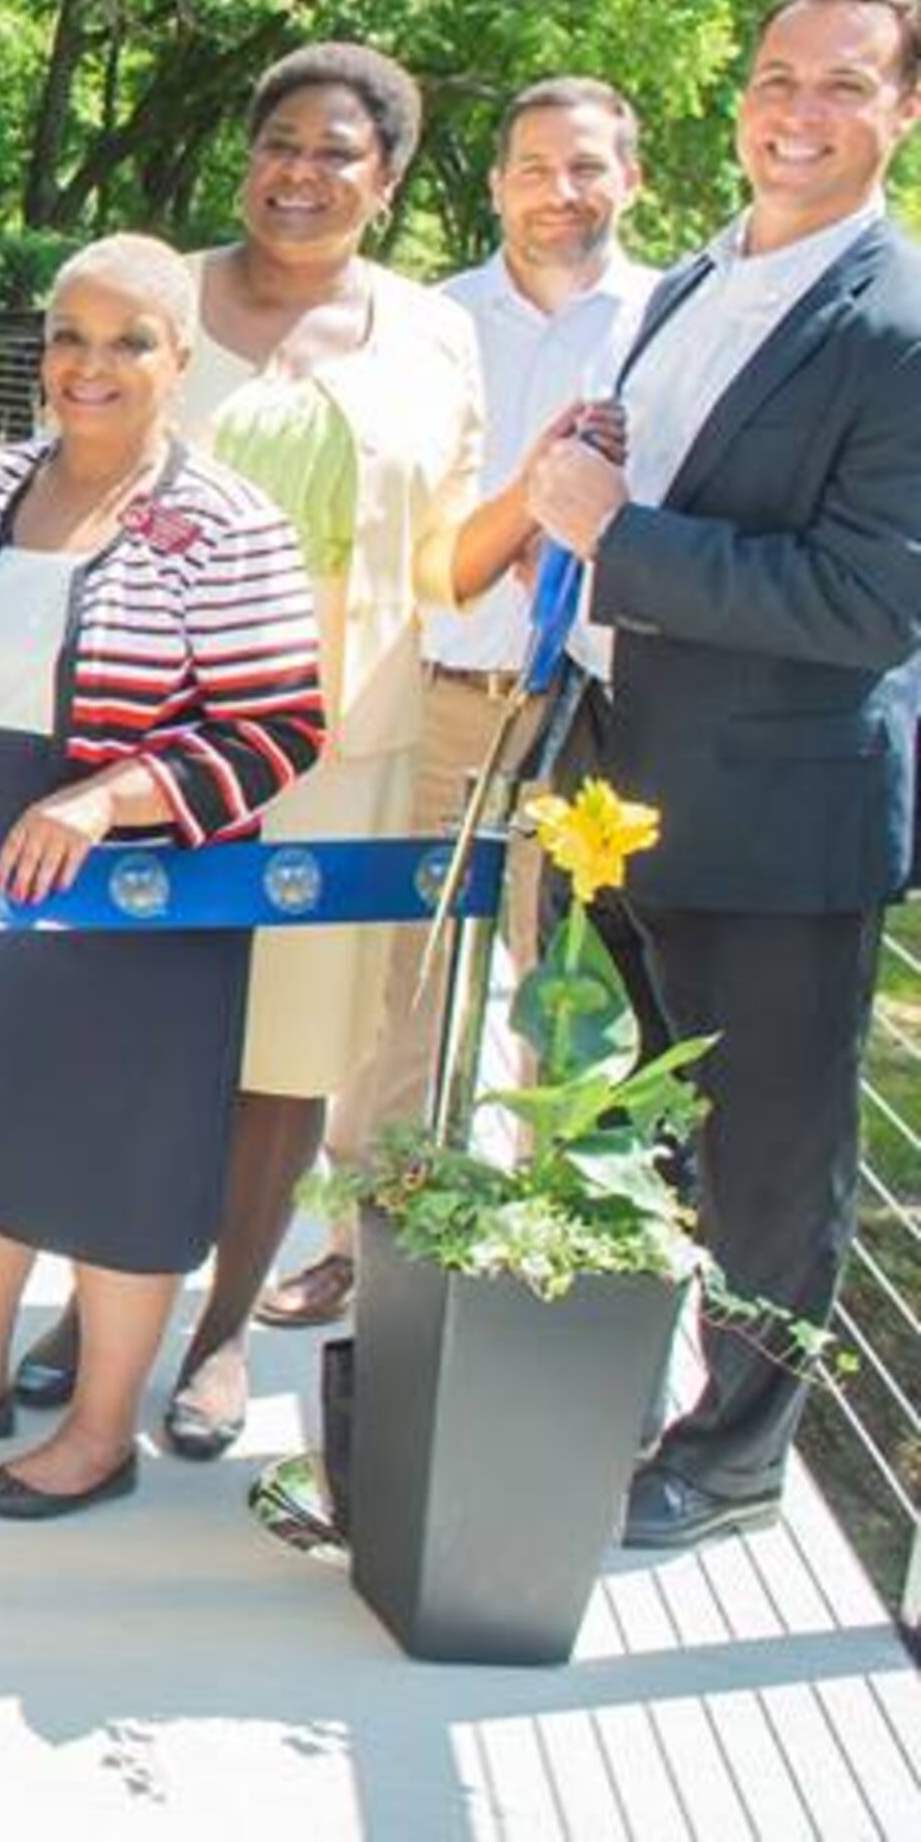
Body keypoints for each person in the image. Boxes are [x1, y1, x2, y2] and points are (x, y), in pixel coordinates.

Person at [24, 44, 502, 1461]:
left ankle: (222, 1328)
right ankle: (91, 1302)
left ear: (389, 177)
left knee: (282, 1061)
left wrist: (543, 501)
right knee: (130, 1044)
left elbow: (439, 560)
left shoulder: (431, 337)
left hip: (341, 759)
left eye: (337, 151)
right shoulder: (159, 295)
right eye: (279, 141)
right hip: (149, 748)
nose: (301, 172)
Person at [524, 0, 921, 1548]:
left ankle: (738, 1458)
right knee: (619, 1110)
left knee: (765, 1150)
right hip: (623, 770)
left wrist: (627, 534)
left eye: (844, 85)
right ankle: (617, 1382)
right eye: (776, 77)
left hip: (780, 805)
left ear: (903, 112)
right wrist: (605, 467)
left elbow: (870, 599)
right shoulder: (697, 277)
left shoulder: (895, 326)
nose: (798, 113)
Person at [0, 235, 327, 1519]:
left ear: (181, 361)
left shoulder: (224, 524)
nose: (89, 366)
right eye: (69, 335)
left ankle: (102, 1430)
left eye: (128, 342)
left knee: (122, 1149)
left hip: (142, 892)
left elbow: (278, 726)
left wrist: (108, 797)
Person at [255, 76, 657, 1331]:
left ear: (629, 181)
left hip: (594, 706)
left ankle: (552, 1258)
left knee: (570, 990)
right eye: (533, 166)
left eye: (586, 167)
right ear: (495, 184)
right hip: (432, 689)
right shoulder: (426, 320)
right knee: (396, 989)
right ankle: (360, 1233)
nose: (559, 191)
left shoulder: (670, 317)